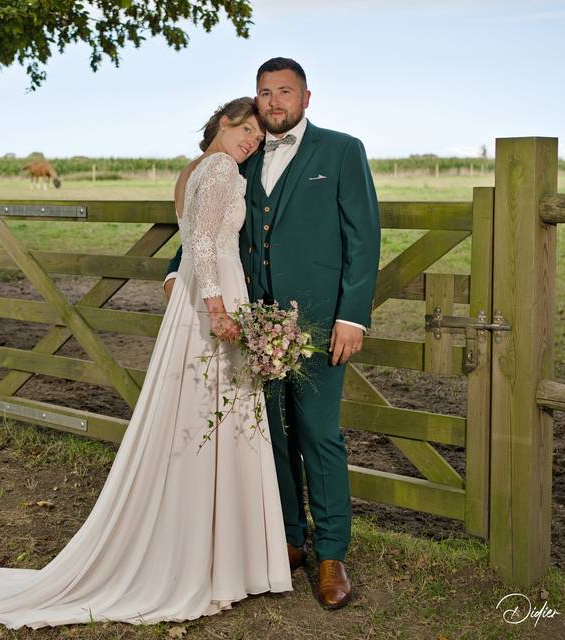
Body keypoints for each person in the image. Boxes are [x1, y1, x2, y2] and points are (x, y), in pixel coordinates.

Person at [0, 97, 292, 630]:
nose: (251, 142)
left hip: (202, 296)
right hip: (213, 300)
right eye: (245, 129)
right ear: (223, 122)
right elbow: (201, 242)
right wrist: (217, 307)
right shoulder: (219, 169)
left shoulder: (197, 170)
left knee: (201, 415)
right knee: (213, 415)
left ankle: (212, 553)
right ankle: (213, 560)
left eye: (258, 139)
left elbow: (197, 241)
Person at [165, 57, 381, 609]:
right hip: (249, 325)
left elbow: (364, 237)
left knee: (319, 434)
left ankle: (332, 553)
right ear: (254, 100)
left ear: (307, 97)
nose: (275, 100)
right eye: (265, 92)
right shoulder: (242, 153)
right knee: (270, 434)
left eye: (286, 91)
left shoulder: (341, 151)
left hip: (315, 326)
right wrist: (176, 268)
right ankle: (287, 538)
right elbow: (204, 221)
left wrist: (352, 315)